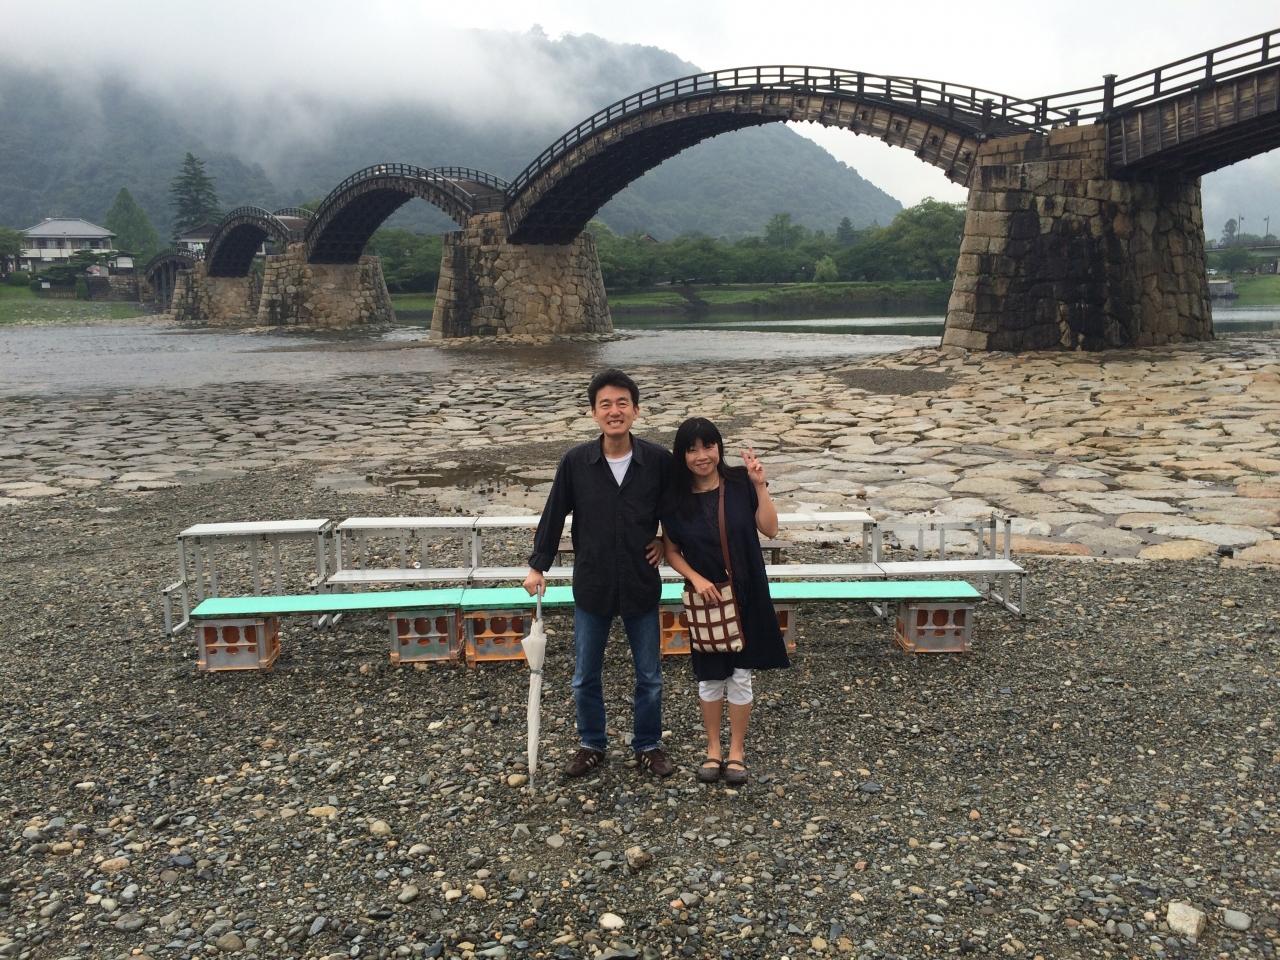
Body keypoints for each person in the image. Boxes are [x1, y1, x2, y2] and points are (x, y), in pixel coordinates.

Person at [523, 369, 675, 778]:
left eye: (622, 403)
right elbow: (554, 513)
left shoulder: (658, 461)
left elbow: (678, 508)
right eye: (605, 404)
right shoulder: (576, 462)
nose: (614, 411)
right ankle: (591, 743)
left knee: (650, 676)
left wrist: (666, 541)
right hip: (593, 583)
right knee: (584, 675)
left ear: (636, 410)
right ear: (594, 412)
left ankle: (648, 744)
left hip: (640, 582)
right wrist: (537, 566)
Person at [661, 417, 790, 786]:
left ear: (719, 447)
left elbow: (770, 528)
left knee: (741, 675)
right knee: (709, 677)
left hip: (746, 591)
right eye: (692, 449)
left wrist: (760, 484)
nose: (702, 455)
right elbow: (671, 551)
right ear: (682, 455)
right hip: (707, 598)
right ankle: (713, 748)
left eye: (708, 446)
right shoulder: (675, 498)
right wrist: (697, 579)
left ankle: (736, 751)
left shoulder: (738, 483)